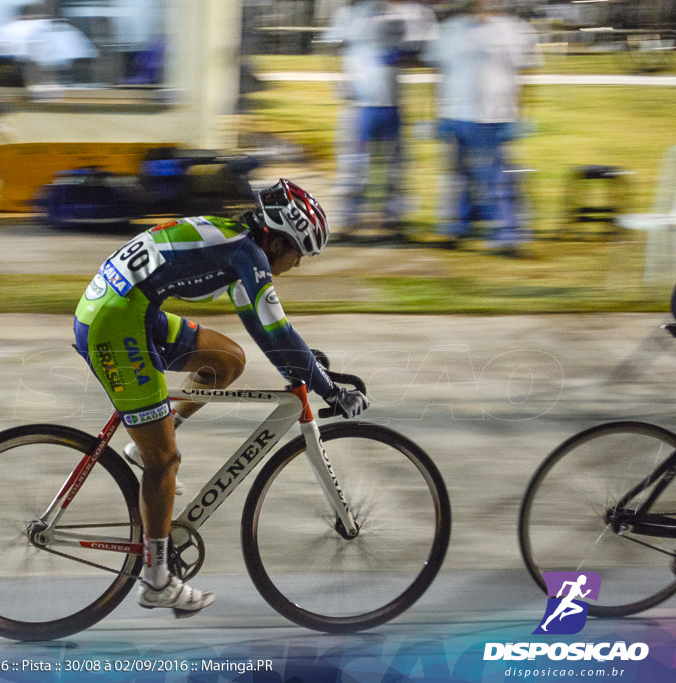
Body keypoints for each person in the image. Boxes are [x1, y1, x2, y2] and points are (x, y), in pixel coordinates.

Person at [73, 179, 369, 616]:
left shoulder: (233, 240)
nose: (297, 265)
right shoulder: (244, 254)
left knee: (226, 361)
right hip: (116, 325)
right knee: (165, 462)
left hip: (130, 310)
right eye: (298, 254)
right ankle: (156, 580)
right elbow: (278, 332)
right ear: (279, 241)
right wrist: (330, 390)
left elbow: (266, 332)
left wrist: (309, 368)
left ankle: (148, 439)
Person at [427, 0, 540, 253]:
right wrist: (437, 114)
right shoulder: (451, 29)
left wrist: (522, 113)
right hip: (456, 114)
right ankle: (455, 228)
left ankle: (509, 234)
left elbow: (525, 74)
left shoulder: (514, 29)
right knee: (456, 178)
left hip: (495, 116)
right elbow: (440, 73)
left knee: (499, 180)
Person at [323, 0, 435, 239]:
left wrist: (403, 57)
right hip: (359, 105)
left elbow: (420, 55)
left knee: (395, 166)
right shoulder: (350, 14)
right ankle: (347, 222)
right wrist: (339, 83)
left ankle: (393, 220)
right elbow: (330, 48)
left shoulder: (402, 17)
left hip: (391, 103)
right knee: (353, 165)